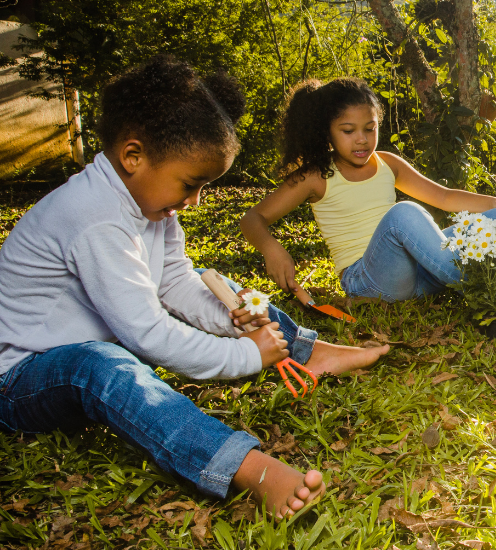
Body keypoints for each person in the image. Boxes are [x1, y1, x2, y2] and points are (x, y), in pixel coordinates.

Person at [0, 56, 385, 518]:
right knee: (100, 364)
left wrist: (231, 315)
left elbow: (176, 281)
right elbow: (146, 333)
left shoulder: (151, 207)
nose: (195, 200)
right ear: (133, 156)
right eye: (190, 183)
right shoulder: (92, 217)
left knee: (229, 290)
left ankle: (306, 351)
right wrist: (245, 356)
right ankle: (243, 466)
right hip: (22, 378)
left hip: (94, 343)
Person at [240, 78, 496, 310]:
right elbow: (253, 219)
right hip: (370, 280)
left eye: (370, 128)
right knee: (403, 213)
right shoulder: (315, 175)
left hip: (423, 276)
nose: (362, 140)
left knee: (493, 221)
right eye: (348, 130)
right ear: (328, 131)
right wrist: (273, 248)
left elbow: (442, 197)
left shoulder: (387, 162)